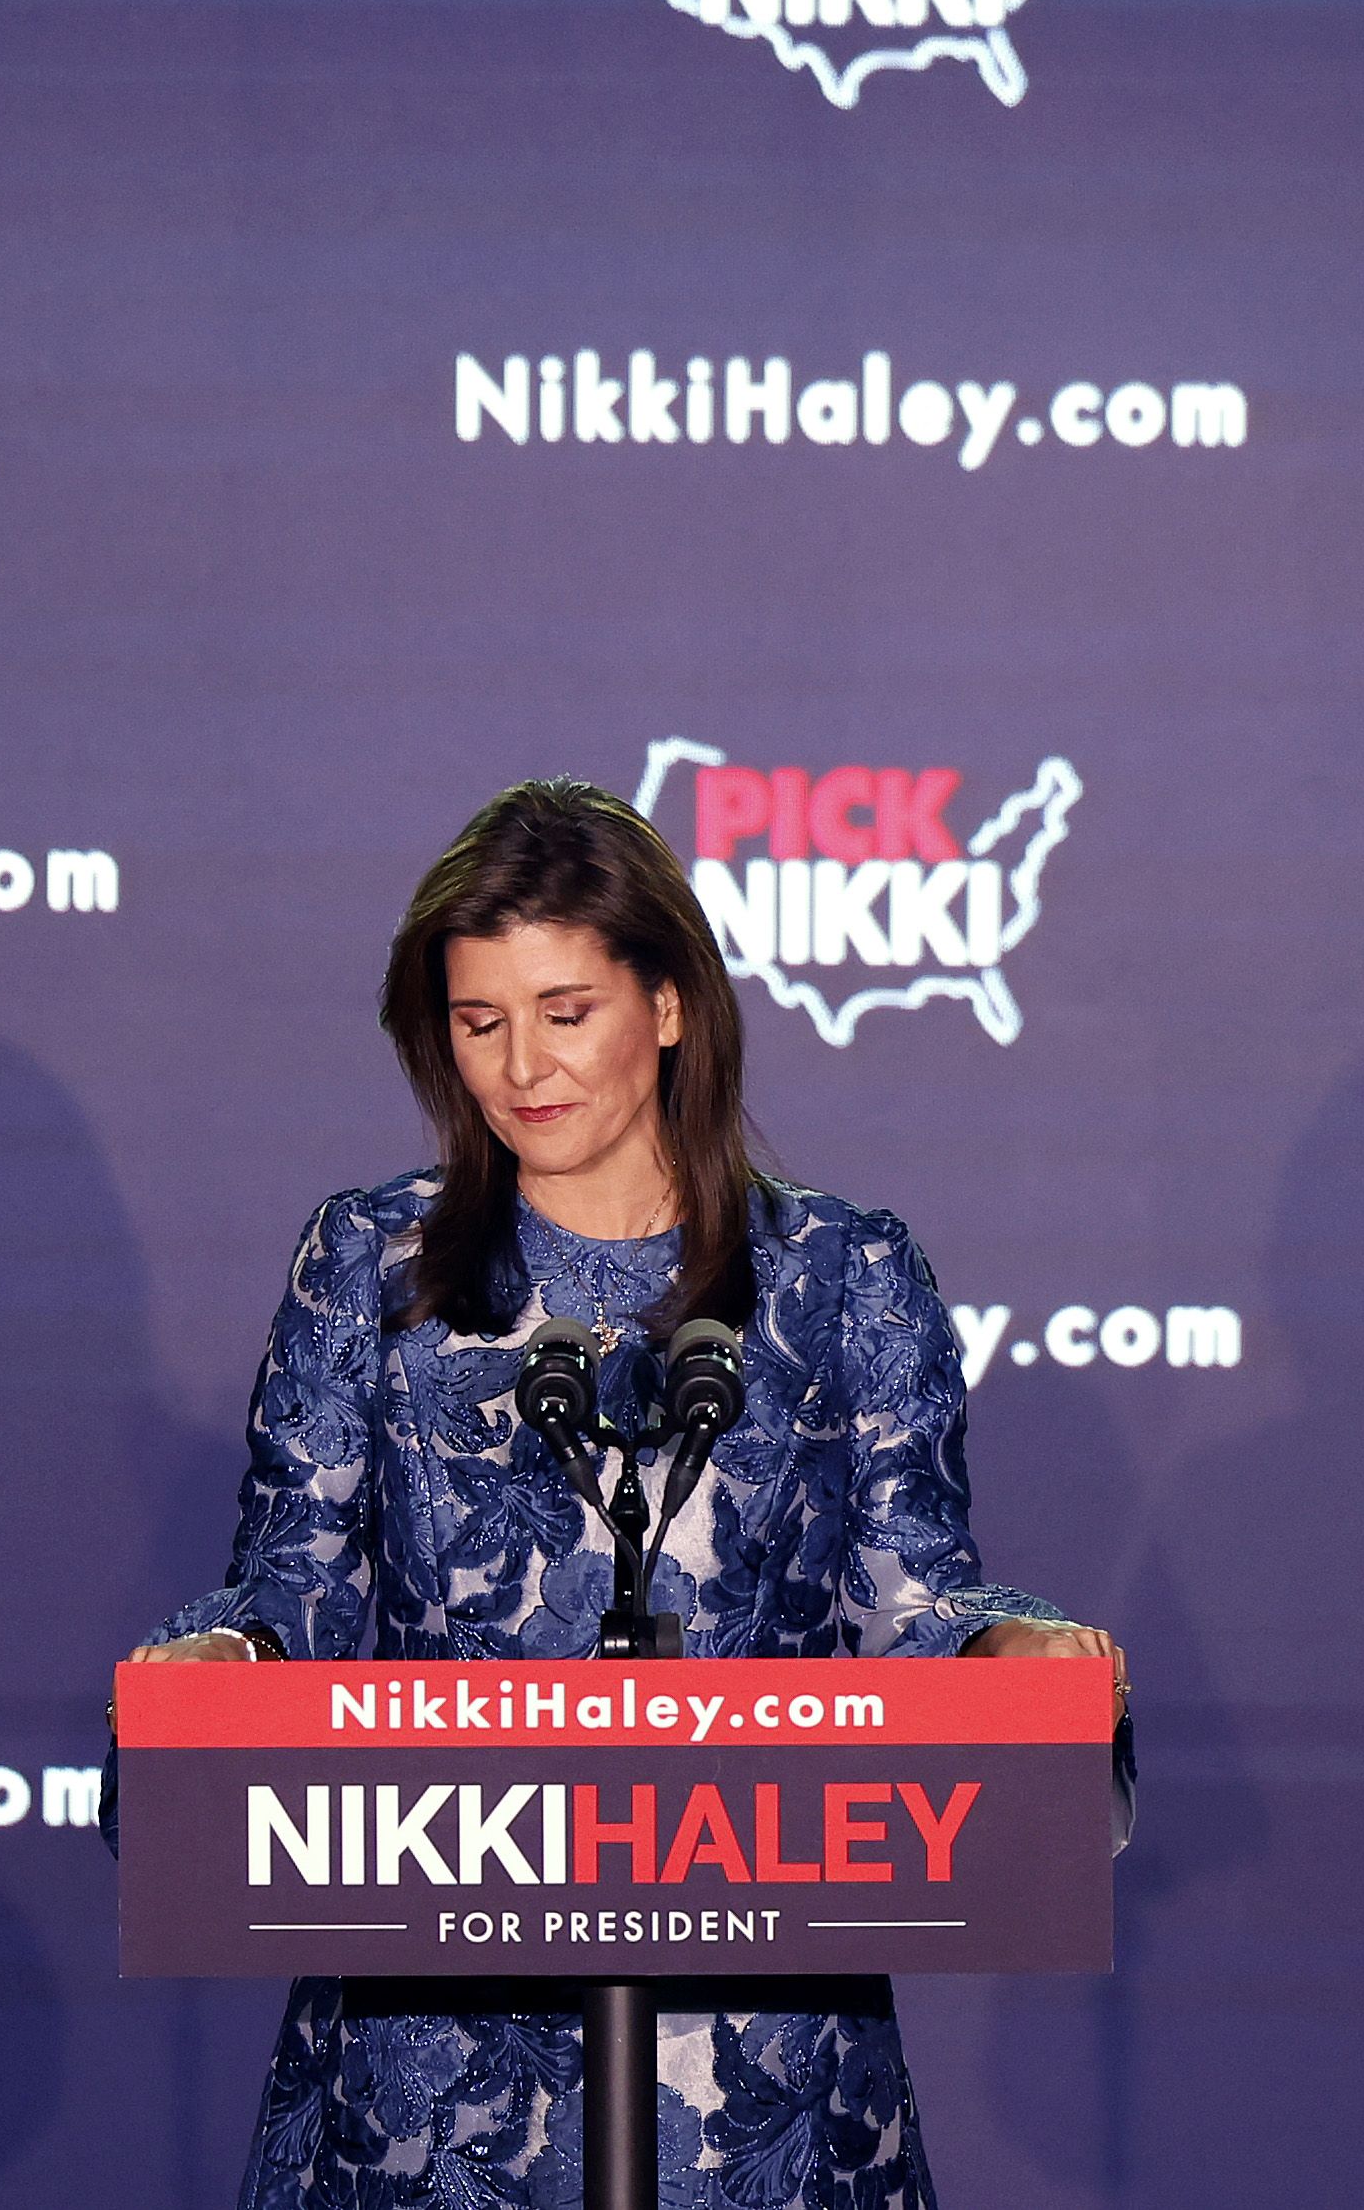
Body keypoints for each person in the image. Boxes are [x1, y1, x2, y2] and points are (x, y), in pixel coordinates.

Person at [135, 777, 1121, 2210]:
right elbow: (299, 1582)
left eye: (564, 1012)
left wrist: (1009, 1653)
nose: (523, 1065)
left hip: (751, 2056)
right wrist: (221, 1660)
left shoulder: (843, 1277)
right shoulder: (371, 1265)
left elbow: (914, 1597)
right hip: (439, 2050)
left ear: (668, 1006)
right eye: (480, 1024)